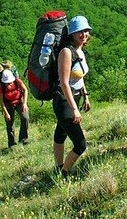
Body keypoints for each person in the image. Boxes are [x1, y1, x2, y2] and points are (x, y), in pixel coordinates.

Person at [53, 15, 92, 178]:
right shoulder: (66, 52)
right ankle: (64, 173)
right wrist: (75, 109)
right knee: (80, 144)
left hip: (74, 98)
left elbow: (79, 76)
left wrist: (85, 95)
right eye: (79, 32)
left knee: (60, 134)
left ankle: (58, 167)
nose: (83, 34)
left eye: (86, 31)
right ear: (72, 34)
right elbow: (64, 82)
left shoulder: (79, 50)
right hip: (63, 100)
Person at [0, 68, 29, 148]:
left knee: (25, 118)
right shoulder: (1, 87)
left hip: (19, 101)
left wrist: (25, 103)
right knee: (10, 124)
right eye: (7, 83)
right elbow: (1, 101)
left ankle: (23, 139)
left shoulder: (17, 81)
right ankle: (12, 144)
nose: (8, 84)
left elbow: (25, 90)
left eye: (9, 82)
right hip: (8, 104)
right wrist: (6, 113)